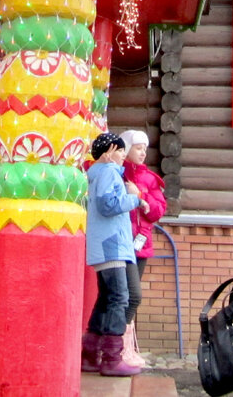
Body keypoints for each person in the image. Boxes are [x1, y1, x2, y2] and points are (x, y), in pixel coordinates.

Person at [82, 131, 142, 377]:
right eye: (119, 150)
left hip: (105, 242)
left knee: (107, 298)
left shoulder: (94, 174)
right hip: (112, 243)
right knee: (119, 297)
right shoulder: (107, 172)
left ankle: (90, 353)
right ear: (108, 152)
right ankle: (111, 358)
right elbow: (109, 206)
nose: (122, 154)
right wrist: (134, 198)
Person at [118, 129, 167, 369]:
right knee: (130, 295)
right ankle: (118, 347)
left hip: (141, 244)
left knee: (130, 297)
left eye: (144, 149)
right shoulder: (117, 173)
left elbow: (158, 211)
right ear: (126, 149)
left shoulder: (149, 178)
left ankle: (126, 347)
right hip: (120, 243)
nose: (142, 153)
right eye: (138, 148)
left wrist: (142, 196)